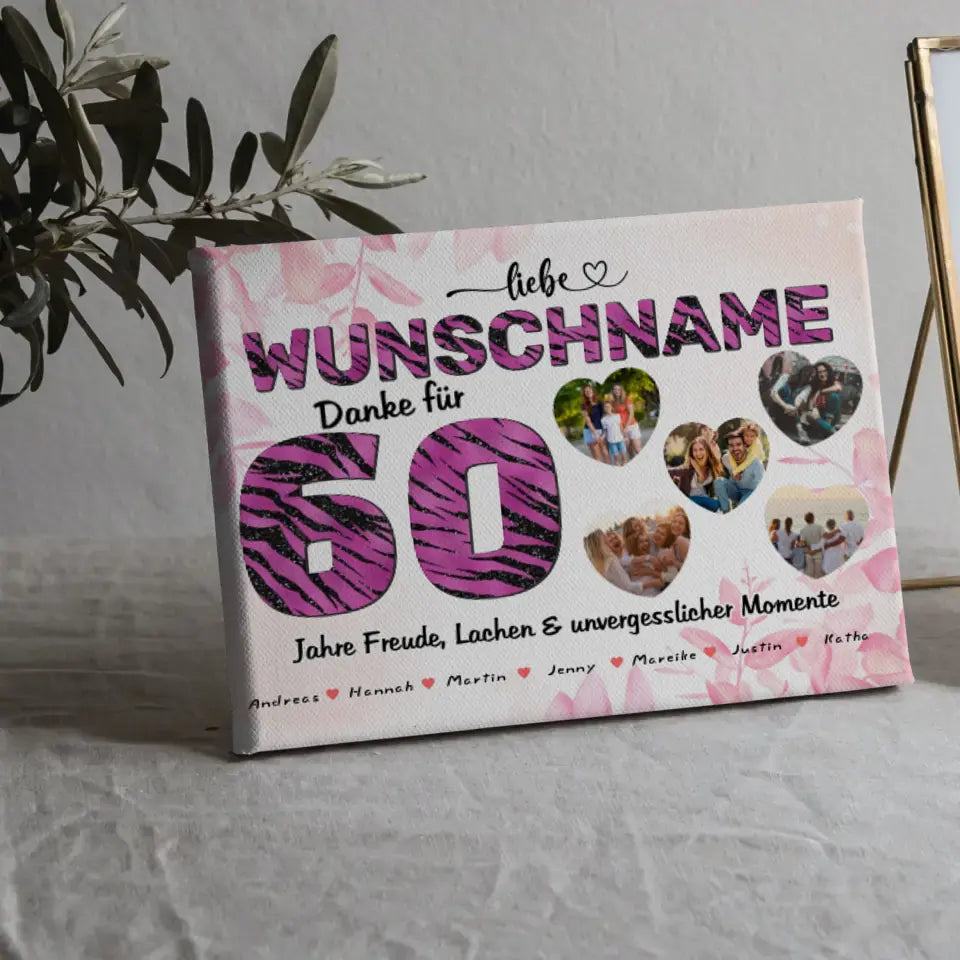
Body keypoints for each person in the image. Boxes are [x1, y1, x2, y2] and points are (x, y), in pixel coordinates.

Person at [584, 530, 654, 594]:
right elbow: (628, 587)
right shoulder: (611, 561)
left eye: (615, 538)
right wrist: (653, 582)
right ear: (602, 545)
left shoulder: (600, 565)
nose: (613, 542)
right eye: (608, 541)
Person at [669, 431, 723, 512]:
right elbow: (670, 471)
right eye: (695, 450)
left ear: (707, 451)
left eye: (701, 449)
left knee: (717, 505)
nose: (698, 453)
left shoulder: (711, 467)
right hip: (689, 500)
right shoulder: (687, 468)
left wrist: (698, 469)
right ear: (692, 453)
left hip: (704, 498)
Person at [714, 430, 765, 512]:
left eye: (738, 444)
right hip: (735, 490)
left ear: (745, 445)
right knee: (719, 481)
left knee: (740, 508)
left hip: (750, 492)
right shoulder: (726, 459)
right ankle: (725, 510)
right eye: (731, 445)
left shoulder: (756, 462)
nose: (735, 449)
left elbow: (760, 487)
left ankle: (740, 506)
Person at [800, 362, 843, 441]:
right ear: (816, 374)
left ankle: (829, 429)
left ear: (828, 371)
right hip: (820, 416)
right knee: (809, 416)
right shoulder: (814, 385)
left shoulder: (833, 382)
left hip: (832, 416)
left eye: (824, 371)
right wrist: (814, 408)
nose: (823, 374)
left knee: (834, 396)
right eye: (820, 372)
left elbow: (838, 388)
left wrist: (821, 391)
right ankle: (828, 430)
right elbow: (811, 402)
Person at [610, 382, 644, 459]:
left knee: (637, 449)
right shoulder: (612, 402)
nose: (617, 391)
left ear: (621, 390)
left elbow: (631, 413)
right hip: (621, 429)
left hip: (631, 426)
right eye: (615, 389)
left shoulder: (626, 399)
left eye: (619, 389)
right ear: (613, 391)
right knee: (630, 451)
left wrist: (626, 427)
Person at [580, 384, 608, 463]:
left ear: (592, 391)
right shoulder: (584, 405)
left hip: (600, 429)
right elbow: (588, 421)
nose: (588, 392)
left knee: (605, 452)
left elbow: (605, 416)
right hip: (589, 431)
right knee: (596, 456)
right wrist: (595, 433)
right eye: (586, 391)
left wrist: (605, 431)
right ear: (584, 394)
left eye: (589, 390)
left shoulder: (600, 402)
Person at [599, 400, 628, 466]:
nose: (607, 408)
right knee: (616, 459)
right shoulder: (603, 419)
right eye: (606, 407)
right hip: (611, 441)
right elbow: (605, 431)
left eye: (609, 406)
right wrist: (601, 438)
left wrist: (625, 435)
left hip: (620, 439)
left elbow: (621, 427)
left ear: (612, 407)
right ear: (604, 409)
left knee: (624, 457)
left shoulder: (617, 416)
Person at [799, 511, 824, 578]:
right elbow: (824, 539)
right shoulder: (819, 527)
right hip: (818, 552)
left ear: (805, 520)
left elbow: (802, 543)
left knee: (809, 575)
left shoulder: (803, 530)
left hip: (809, 553)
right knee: (818, 575)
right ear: (813, 518)